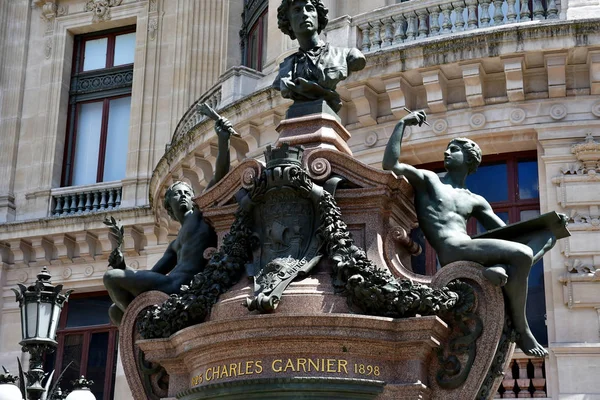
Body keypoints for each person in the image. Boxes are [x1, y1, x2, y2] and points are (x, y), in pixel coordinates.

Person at [382, 111, 567, 357]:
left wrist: (548, 225)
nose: (447, 153)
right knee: (522, 254)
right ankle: (522, 328)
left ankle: (502, 267)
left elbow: (503, 232)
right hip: (451, 250)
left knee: (548, 237)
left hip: (470, 246)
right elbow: (390, 164)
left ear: (469, 161)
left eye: (454, 150)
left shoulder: (475, 200)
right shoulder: (429, 180)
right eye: (447, 149)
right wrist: (403, 124)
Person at [103, 117, 234, 326]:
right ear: (169, 207)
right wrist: (124, 265)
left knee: (111, 277)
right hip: (168, 283)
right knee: (114, 310)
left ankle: (147, 324)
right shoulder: (174, 244)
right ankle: (144, 326)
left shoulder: (200, 214)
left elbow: (219, 175)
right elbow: (153, 274)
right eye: (176, 194)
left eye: (186, 193)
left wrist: (223, 140)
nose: (182, 196)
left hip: (182, 285)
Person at [273, 0, 366, 112]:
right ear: (288, 23)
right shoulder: (284, 72)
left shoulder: (347, 55)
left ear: (318, 16)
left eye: (310, 9)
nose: (305, 14)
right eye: (297, 10)